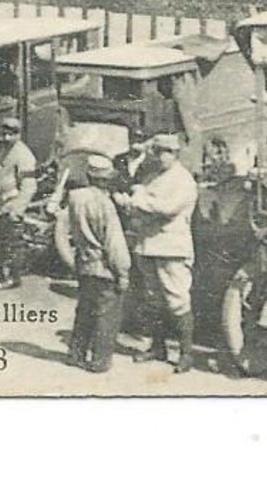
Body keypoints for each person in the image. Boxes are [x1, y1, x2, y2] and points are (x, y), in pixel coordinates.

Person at [116, 133, 199, 373]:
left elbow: (166, 208)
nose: (161, 157)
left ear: (175, 154)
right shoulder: (154, 177)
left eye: (166, 152)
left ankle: (186, 353)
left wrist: (136, 201)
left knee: (177, 300)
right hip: (149, 245)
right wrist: (138, 198)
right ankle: (158, 346)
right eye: (158, 152)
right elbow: (141, 195)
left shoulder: (183, 180)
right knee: (153, 299)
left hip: (172, 248)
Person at [64, 153, 132, 373]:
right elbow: (114, 245)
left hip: (83, 262)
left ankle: (76, 353)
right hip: (104, 267)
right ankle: (100, 360)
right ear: (107, 180)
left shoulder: (76, 197)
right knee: (106, 315)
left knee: (84, 310)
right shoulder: (105, 205)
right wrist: (123, 273)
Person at [0, 116, 38, 291]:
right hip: (0, 204)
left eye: (11, 135)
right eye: (4, 134)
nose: (6, 138)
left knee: (14, 244)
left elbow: (29, 186)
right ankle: (0, 271)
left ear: (18, 134)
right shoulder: (4, 151)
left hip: (12, 205)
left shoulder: (24, 155)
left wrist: (18, 209)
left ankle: (13, 277)